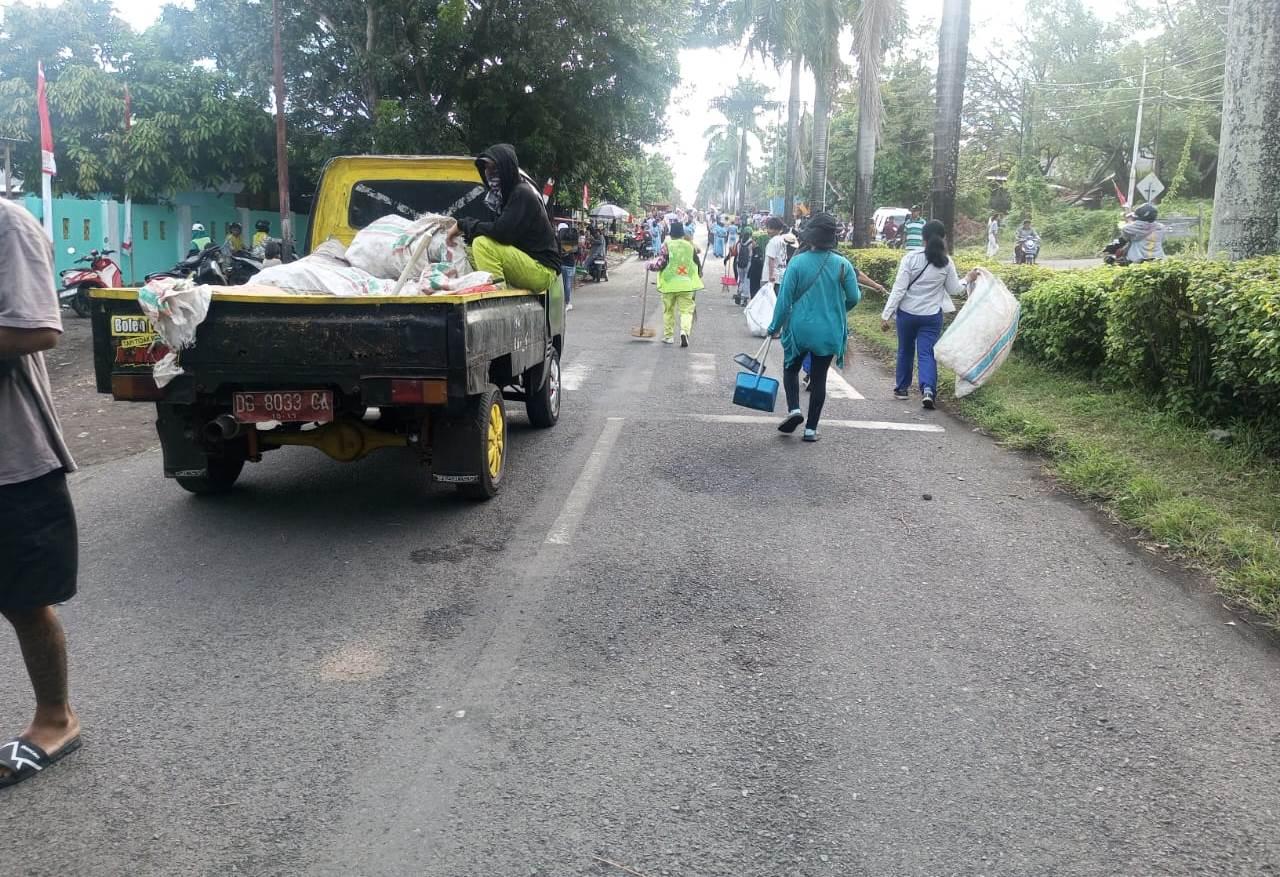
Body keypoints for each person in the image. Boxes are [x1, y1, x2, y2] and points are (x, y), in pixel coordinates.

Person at [0, 198, 82, 788]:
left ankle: (56, 720)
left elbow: (38, 328)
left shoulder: (7, 223)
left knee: (25, 601)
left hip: (12, 459)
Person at [766, 213, 862, 443]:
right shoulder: (843, 264)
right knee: (819, 378)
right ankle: (810, 430)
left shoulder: (797, 263)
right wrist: (837, 310)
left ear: (810, 237)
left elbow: (784, 301)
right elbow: (854, 297)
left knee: (791, 369)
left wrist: (773, 327)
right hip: (829, 331)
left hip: (799, 329)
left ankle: (794, 410)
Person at [881, 219, 974, 409]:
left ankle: (902, 389)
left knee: (905, 350)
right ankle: (929, 390)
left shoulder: (910, 258)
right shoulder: (946, 262)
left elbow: (899, 289)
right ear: (943, 238)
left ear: (922, 237)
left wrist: (886, 315)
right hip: (931, 316)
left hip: (907, 314)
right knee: (927, 353)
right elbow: (954, 289)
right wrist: (967, 279)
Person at [452, 144, 560, 292]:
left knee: (482, 244)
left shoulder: (522, 193)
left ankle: (498, 294)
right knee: (467, 251)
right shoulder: (502, 200)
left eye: (495, 168)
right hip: (527, 263)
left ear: (507, 169)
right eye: (486, 168)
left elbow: (501, 233)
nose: (490, 173)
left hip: (542, 270)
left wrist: (462, 225)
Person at [647, 219, 703, 346]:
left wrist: (649, 266)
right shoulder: (690, 246)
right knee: (686, 311)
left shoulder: (667, 246)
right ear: (682, 234)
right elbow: (697, 264)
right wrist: (698, 275)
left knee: (668, 310)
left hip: (669, 284)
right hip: (686, 284)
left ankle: (669, 336)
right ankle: (684, 331)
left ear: (671, 235)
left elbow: (660, 264)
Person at [762, 216, 789, 289]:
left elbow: (771, 259)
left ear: (777, 229)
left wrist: (771, 276)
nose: (768, 230)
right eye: (767, 228)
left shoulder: (773, 241)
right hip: (781, 276)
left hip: (772, 279)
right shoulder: (782, 241)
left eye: (770, 228)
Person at [556, 223, 578, 311]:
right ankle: (567, 302)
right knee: (567, 285)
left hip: (562, 264)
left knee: (563, 284)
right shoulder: (571, 239)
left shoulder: (558, 239)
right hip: (569, 264)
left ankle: (565, 302)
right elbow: (576, 251)